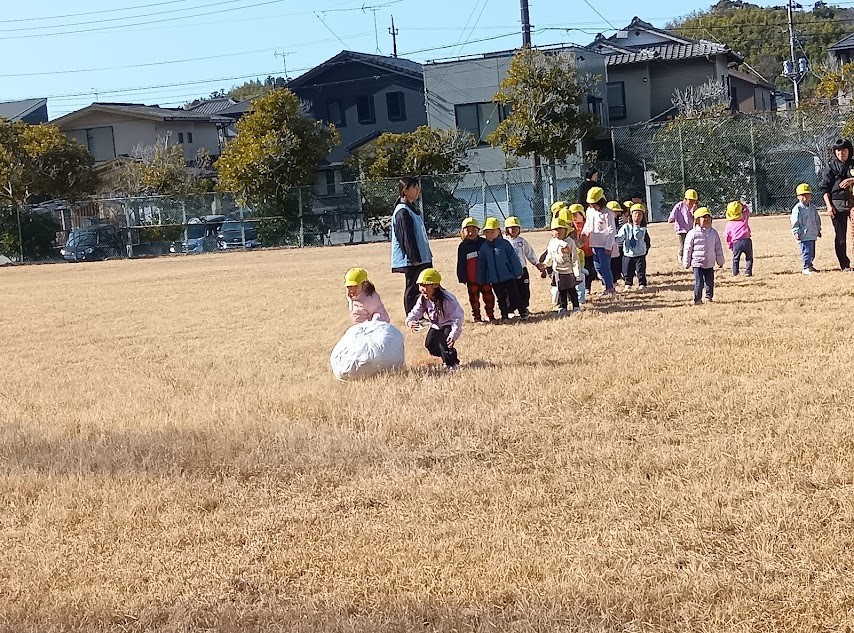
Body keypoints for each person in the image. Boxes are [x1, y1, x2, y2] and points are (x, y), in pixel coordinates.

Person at [405, 268, 463, 370]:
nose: (421, 289)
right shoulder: (423, 298)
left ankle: (451, 363)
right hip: (436, 325)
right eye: (420, 285)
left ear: (435, 285)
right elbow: (415, 312)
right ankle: (447, 356)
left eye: (425, 285)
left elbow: (457, 318)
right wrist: (409, 322)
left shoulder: (448, 300)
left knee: (445, 344)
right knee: (430, 345)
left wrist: (453, 335)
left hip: (448, 324)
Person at [390, 177, 433, 316]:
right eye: (414, 187)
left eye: (417, 187)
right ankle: (412, 317)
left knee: (425, 287)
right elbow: (406, 238)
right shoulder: (402, 211)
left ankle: (422, 314)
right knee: (413, 289)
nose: (417, 190)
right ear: (405, 190)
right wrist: (414, 258)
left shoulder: (412, 209)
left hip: (422, 257)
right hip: (413, 260)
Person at [476, 217, 525, 321]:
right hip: (494, 279)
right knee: (501, 298)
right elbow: (482, 264)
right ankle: (504, 315)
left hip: (508, 276)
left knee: (514, 295)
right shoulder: (484, 248)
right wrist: (481, 278)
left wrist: (518, 272)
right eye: (487, 232)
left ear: (498, 231)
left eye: (492, 231)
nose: (489, 234)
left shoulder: (505, 244)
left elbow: (513, 259)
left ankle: (523, 312)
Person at [820, 138, 854, 271]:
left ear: (849, 151)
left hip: (852, 203)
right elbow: (824, 189)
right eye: (838, 150)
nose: (841, 153)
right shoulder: (831, 167)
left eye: (844, 150)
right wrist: (829, 206)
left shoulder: (852, 164)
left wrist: (852, 180)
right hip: (837, 204)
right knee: (840, 236)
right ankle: (844, 264)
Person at [456, 217, 495, 323]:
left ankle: (490, 314)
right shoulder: (463, 246)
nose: (471, 232)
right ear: (463, 231)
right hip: (471, 278)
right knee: (474, 299)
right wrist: (462, 276)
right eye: (468, 230)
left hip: (485, 277)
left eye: (474, 229)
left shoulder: (484, 242)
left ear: (478, 230)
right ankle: (477, 317)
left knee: (489, 297)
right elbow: (461, 263)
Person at [504, 215, 544, 319]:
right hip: (510, 271)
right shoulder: (504, 242)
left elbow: (529, 253)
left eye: (516, 227)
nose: (513, 229)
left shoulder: (522, 241)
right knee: (510, 291)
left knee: (524, 290)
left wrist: (536, 263)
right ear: (506, 229)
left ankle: (524, 307)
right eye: (511, 227)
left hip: (522, 269)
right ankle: (511, 309)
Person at [683, 207, 724, 305]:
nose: (706, 219)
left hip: (710, 263)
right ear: (697, 220)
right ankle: (697, 299)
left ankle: (709, 297)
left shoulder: (713, 233)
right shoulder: (692, 233)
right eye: (703, 217)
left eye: (708, 217)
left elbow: (718, 247)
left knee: (710, 282)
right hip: (697, 263)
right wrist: (686, 262)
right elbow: (688, 249)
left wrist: (720, 261)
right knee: (699, 282)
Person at [582, 186, 617, 298]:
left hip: (604, 245)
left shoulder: (608, 213)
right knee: (597, 267)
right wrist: (583, 234)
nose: (592, 206)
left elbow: (612, 231)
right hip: (594, 244)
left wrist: (608, 246)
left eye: (594, 203)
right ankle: (607, 283)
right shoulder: (590, 211)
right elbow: (588, 225)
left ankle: (610, 288)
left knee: (605, 267)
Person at [547, 218, 581, 315]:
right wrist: (545, 264)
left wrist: (577, 273)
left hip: (569, 270)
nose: (558, 231)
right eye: (555, 229)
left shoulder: (569, 242)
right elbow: (549, 255)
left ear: (566, 230)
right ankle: (563, 307)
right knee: (561, 290)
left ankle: (576, 306)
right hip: (558, 271)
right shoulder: (552, 242)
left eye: (561, 229)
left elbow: (574, 258)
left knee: (571, 289)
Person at [791, 183, 822, 275]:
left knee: (812, 252)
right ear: (798, 197)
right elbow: (795, 221)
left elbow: (817, 219)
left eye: (807, 195)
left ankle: (810, 265)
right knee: (806, 251)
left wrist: (818, 229)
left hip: (812, 233)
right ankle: (806, 267)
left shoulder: (813, 208)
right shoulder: (798, 208)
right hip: (803, 235)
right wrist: (796, 231)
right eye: (802, 195)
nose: (805, 197)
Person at [617, 204, 648, 290]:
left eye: (640, 214)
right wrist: (614, 238)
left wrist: (636, 226)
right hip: (628, 254)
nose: (637, 216)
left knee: (640, 271)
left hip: (639, 254)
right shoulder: (626, 226)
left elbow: (638, 236)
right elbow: (621, 237)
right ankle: (628, 284)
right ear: (631, 215)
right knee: (627, 270)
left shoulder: (642, 228)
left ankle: (642, 284)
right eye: (635, 214)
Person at [668, 189, 699, 262]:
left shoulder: (693, 207)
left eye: (694, 200)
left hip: (690, 229)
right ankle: (681, 257)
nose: (692, 202)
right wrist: (672, 218)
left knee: (690, 244)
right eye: (690, 200)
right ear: (685, 199)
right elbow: (674, 212)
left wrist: (694, 211)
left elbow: (695, 216)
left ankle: (689, 258)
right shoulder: (679, 205)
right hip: (681, 229)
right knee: (683, 245)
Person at [725, 201, 753, 277]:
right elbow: (747, 210)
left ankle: (735, 272)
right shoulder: (744, 219)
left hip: (736, 242)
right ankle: (748, 272)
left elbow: (728, 237)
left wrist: (730, 245)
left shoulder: (729, 224)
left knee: (736, 258)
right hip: (747, 240)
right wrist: (742, 205)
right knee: (749, 258)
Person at [571, 204, 595, 292]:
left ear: (582, 215)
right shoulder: (571, 228)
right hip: (578, 254)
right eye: (572, 215)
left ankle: (587, 287)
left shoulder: (587, 224)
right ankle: (580, 288)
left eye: (576, 214)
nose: (574, 217)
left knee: (589, 270)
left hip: (589, 251)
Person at [607, 201, 625, 284]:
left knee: (616, 263)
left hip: (618, 246)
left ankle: (616, 277)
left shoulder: (619, 220)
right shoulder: (605, 220)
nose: (616, 213)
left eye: (617, 212)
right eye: (614, 211)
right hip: (608, 246)